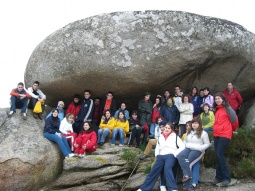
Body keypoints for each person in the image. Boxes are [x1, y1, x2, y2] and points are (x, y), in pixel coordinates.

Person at [137, 122, 185, 191]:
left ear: (171, 129)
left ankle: (173, 188)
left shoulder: (175, 137)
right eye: (166, 127)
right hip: (161, 156)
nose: (167, 129)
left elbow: (182, 146)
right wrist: (157, 155)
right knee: (154, 170)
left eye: (169, 128)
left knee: (167, 168)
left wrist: (175, 153)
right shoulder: (161, 136)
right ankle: (143, 188)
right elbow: (157, 147)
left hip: (170, 155)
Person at [211, 92, 238, 187]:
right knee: (218, 155)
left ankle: (227, 178)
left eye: (219, 98)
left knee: (219, 154)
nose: (217, 100)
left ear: (223, 99)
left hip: (225, 134)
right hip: (217, 134)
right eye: (216, 99)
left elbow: (234, 120)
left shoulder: (228, 109)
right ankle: (218, 177)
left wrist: (233, 130)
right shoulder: (217, 110)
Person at [176, 117, 210, 190]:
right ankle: (186, 174)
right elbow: (185, 141)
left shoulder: (204, 133)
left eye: (196, 123)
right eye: (193, 123)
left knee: (188, 162)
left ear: (199, 124)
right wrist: (185, 146)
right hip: (188, 148)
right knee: (180, 156)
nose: (194, 125)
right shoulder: (189, 132)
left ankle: (187, 186)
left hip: (197, 150)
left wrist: (200, 148)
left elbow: (207, 144)